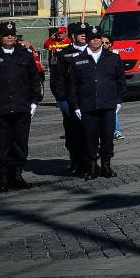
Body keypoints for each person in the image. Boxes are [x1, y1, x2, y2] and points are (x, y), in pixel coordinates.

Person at [0, 21, 43, 192]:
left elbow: (34, 81)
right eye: (6, 34)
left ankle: (17, 176)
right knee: (1, 145)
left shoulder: (25, 56)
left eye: (13, 34)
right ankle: (3, 178)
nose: (10, 37)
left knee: (20, 144)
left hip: (22, 108)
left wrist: (34, 102)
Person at [67, 28, 125, 180]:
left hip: (108, 105)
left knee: (107, 137)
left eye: (98, 37)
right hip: (87, 106)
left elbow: (121, 81)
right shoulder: (78, 59)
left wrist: (119, 101)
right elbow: (72, 86)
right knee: (90, 138)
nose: (96, 40)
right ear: (87, 40)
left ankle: (106, 165)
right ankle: (92, 166)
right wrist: (76, 106)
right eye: (92, 38)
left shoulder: (113, 58)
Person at [51, 21, 92, 175]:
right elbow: (57, 80)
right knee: (73, 135)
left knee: (91, 133)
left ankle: (91, 163)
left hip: (89, 100)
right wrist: (61, 100)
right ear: (73, 36)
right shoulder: (63, 55)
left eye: (86, 33)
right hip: (71, 102)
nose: (84, 35)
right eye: (80, 33)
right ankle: (76, 161)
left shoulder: (93, 52)